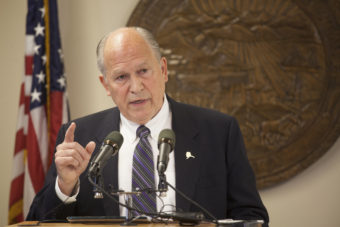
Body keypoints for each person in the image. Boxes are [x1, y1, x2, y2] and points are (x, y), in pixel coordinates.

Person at [27, 27, 269, 225]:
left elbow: (252, 218)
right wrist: (65, 186)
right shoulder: (79, 136)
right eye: (121, 77)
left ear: (163, 69)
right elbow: (38, 221)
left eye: (143, 71)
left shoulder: (218, 132)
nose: (136, 87)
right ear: (106, 84)